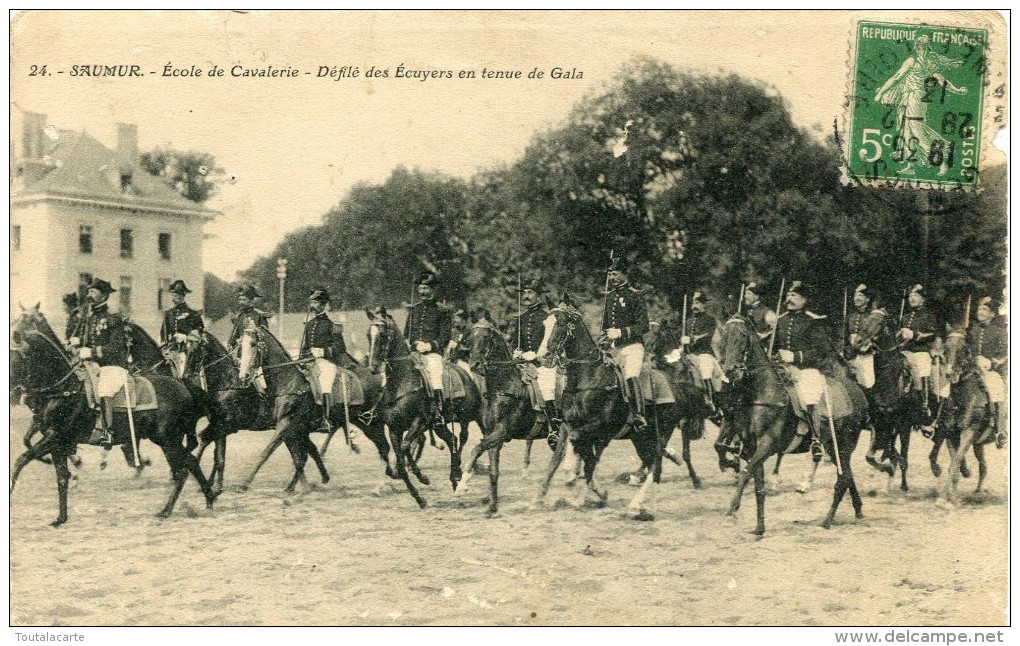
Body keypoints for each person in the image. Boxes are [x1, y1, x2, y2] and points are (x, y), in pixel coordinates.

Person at [873, 34, 967, 176]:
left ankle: (943, 159)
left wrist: (880, 93)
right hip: (909, 98)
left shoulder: (918, 61)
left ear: (924, 47)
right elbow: (941, 80)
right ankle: (911, 165)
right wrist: (957, 90)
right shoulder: (924, 61)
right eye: (917, 45)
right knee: (907, 132)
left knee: (917, 132)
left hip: (915, 98)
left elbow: (897, 77)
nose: (917, 47)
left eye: (919, 45)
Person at [69, 278, 129, 447]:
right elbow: (86, 340)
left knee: (104, 389)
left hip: (111, 365)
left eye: (93, 292)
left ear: (104, 296)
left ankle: (108, 431)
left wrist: (93, 352)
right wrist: (77, 342)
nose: (89, 295)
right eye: (89, 291)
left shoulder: (113, 318)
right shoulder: (90, 318)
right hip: (91, 364)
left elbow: (117, 347)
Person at [773, 281, 832, 438]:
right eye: (787, 295)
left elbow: (821, 351)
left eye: (794, 295)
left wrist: (794, 356)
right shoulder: (780, 320)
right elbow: (772, 346)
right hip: (780, 366)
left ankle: (814, 436)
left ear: (804, 300)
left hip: (805, 368)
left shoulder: (813, 321)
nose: (789, 299)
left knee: (809, 390)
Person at [601, 256, 650, 435]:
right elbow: (605, 326)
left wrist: (621, 332)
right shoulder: (609, 297)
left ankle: (639, 414)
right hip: (614, 348)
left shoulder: (634, 296)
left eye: (615, 274)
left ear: (624, 274)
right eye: (610, 275)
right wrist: (604, 336)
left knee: (630, 374)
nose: (612, 278)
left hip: (632, 347)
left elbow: (643, 326)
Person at [509, 278, 560, 447]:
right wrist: (517, 352)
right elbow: (515, 343)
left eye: (530, 292)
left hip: (543, 364)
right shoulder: (520, 318)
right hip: (523, 363)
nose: (526, 296)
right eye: (524, 293)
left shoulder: (547, 318)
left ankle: (554, 429)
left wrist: (537, 355)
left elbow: (551, 344)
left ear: (539, 296)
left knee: (546, 390)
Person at [405, 272, 453, 430]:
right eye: (420, 288)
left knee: (435, 374)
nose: (423, 292)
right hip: (414, 353)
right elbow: (408, 335)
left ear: (433, 290)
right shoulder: (413, 310)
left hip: (432, 354)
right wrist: (413, 344)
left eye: (426, 288)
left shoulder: (442, 311)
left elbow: (445, 337)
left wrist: (429, 346)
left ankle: (438, 413)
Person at [967, 296, 1008, 448]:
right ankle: (938, 421)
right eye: (979, 309)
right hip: (971, 368)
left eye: (984, 309)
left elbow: (1006, 352)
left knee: (998, 391)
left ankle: (1000, 430)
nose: (980, 312)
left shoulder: (1000, 331)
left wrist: (992, 362)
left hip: (989, 369)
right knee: (948, 387)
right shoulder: (973, 330)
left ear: (992, 314)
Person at [898, 284, 938, 421]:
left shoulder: (928, 315)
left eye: (916, 296)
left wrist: (914, 335)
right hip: (904, 351)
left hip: (920, 350)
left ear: (923, 299)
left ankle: (924, 405)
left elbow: (932, 334)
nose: (912, 298)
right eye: (910, 296)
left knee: (923, 369)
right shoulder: (905, 316)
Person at [681, 290, 723, 421]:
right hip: (689, 353)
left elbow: (707, 336)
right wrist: (682, 341)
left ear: (704, 305)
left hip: (704, 353)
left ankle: (711, 403)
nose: (695, 305)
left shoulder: (710, 320)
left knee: (705, 371)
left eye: (698, 302)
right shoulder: (687, 322)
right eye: (693, 302)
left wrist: (692, 339)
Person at [300, 288, 338, 432]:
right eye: (311, 302)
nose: (312, 305)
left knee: (324, 384)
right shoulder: (309, 324)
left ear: (323, 305)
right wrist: (304, 357)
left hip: (327, 362)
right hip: (311, 362)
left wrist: (323, 351)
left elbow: (340, 347)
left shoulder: (332, 324)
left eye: (315, 302)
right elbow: (305, 347)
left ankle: (326, 420)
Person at [844, 283, 889, 391]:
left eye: (860, 295)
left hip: (867, 353)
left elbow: (880, 335)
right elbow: (845, 335)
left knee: (866, 383)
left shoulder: (873, 316)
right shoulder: (851, 316)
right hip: (851, 353)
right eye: (855, 295)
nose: (857, 298)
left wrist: (871, 342)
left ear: (867, 299)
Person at [159, 280, 205, 379]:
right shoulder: (168, 314)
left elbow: (199, 334)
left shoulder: (193, 314)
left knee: (184, 370)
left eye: (176, 295)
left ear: (182, 296)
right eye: (173, 295)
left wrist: (185, 337)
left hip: (185, 349)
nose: (173, 299)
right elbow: (163, 334)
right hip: (170, 348)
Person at [227, 284, 270, 356]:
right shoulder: (239, 317)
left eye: (244, 300)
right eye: (239, 300)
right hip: (240, 353)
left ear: (251, 301)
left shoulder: (258, 316)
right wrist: (231, 344)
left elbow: (264, 335)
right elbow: (234, 336)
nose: (241, 302)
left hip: (255, 352)